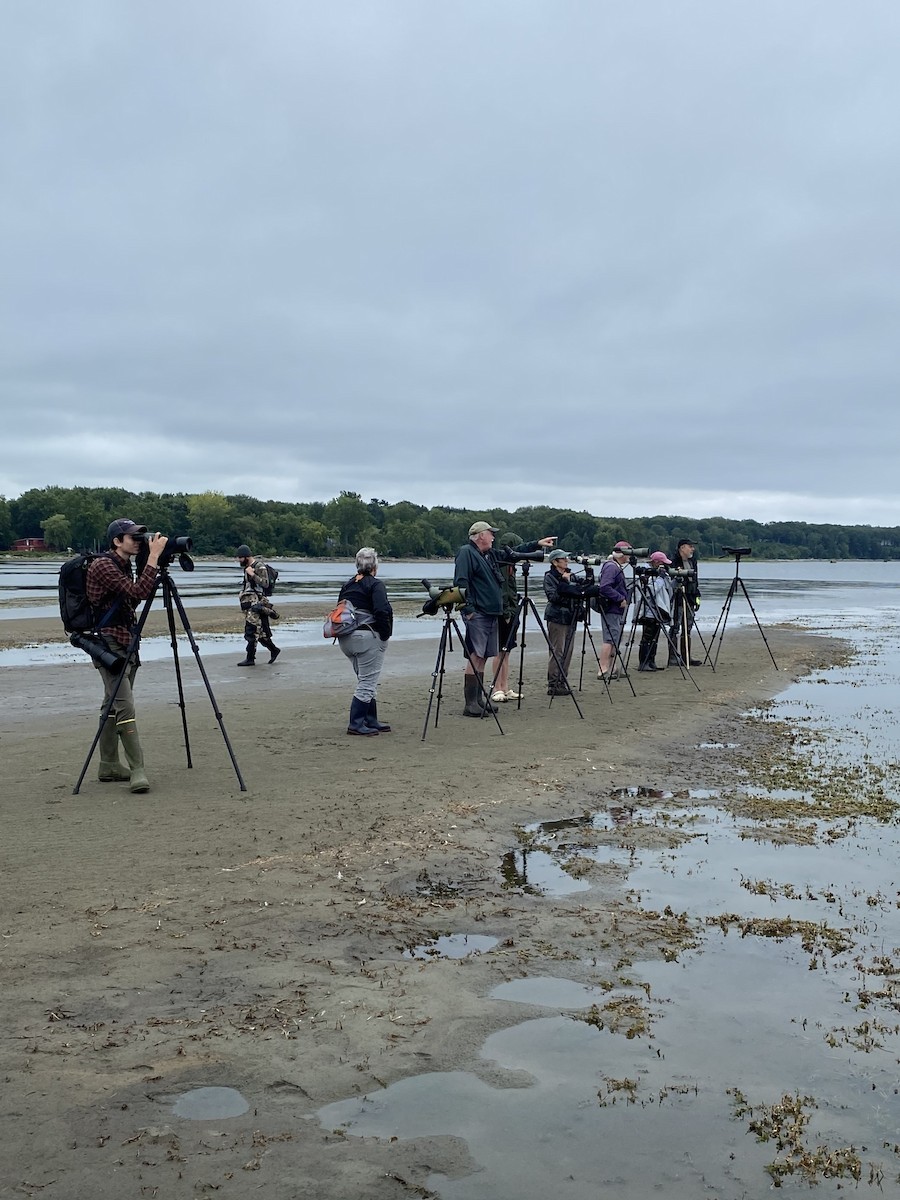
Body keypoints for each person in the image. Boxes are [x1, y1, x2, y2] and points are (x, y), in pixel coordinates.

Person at [85, 518, 169, 793]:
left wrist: (150, 559)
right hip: (108, 644)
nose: (137, 541)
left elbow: (131, 600)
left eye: (139, 537)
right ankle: (138, 770)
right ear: (116, 541)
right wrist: (153, 556)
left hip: (125, 640)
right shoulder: (104, 565)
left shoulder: (124, 565)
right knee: (124, 704)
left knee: (112, 701)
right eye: (132, 537)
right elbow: (139, 593)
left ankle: (108, 764)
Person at [454, 522, 555, 717]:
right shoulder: (467, 553)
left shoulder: (489, 555)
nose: (493, 537)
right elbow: (460, 582)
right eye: (490, 534)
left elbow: (513, 554)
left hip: (491, 613)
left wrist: (536, 544)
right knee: (476, 654)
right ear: (480, 535)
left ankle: (479, 699)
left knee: (483, 656)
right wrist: (469, 610)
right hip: (478, 614)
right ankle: (470, 703)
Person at [336, 547, 393, 735]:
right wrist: (385, 635)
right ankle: (356, 723)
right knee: (367, 682)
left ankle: (370, 719)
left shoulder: (348, 585)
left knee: (366, 679)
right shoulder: (375, 585)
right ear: (375, 566)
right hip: (367, 637)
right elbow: (382, 610)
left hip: (345, 638)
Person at [542, 550, 601, 695]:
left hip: (571, 617)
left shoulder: (570, 574)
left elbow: (585, 587)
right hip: (557, 617)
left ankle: (562, 681)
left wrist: (589, 572)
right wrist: (566, 586)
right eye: (563, 559)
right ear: (555, 562)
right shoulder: (550, 577)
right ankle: (554, 683)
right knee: (558, 650)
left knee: (568, 651)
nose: (567, 561)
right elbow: (553, 597)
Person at [490, 532, 524, 703]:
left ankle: (504, 686)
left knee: (507, 652)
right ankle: (497, 688)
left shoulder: (511, 566)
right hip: (503, 612)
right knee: (499, 651)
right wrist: (507, 612)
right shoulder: (502, 564)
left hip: (511, 609)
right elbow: (503, 591)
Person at [236, 544, 281, 666]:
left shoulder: (259, 566)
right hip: (248, 602)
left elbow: (265, 584)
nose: (239, 560)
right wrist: (242, 593)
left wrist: (252, 574)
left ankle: (250, 658)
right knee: (260, 633)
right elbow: (248, 585)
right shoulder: (247, 567)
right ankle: (274, 650)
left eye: (240, 557)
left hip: (256, 603)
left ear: (246, 556)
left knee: (251, 630)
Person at [596, 541, 632, 681]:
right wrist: (620, 598)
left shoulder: (613, 566)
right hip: (611, 608)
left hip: (614, 608)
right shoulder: (612, 567)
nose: (630, 556)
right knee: (610, 637)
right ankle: (603, 669)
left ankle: (613, 667)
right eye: (628, 552)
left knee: (615, 637)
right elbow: (604, 587)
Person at [635, 551, 674, 672]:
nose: (663, 566)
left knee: (654, 638)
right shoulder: (645, 574)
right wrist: (661, 578)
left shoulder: (659, 574)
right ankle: (644, 662)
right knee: (647, 637)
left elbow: (668, 589)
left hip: (658, 610)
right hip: (648, 611)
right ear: (656, 562)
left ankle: (651, 661)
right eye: (662, 563)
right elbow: (649, 591)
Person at [668, 538, 702, 666]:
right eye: (690, 546)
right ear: (682, 548)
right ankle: (672, 657)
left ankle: (686, 657)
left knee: (687, 627)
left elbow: (695, 580)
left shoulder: (693, 561)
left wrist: (697, 597)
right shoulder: (673, 561)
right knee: (675, 626)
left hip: (690, 597)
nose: (692, 549)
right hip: (677, 598)